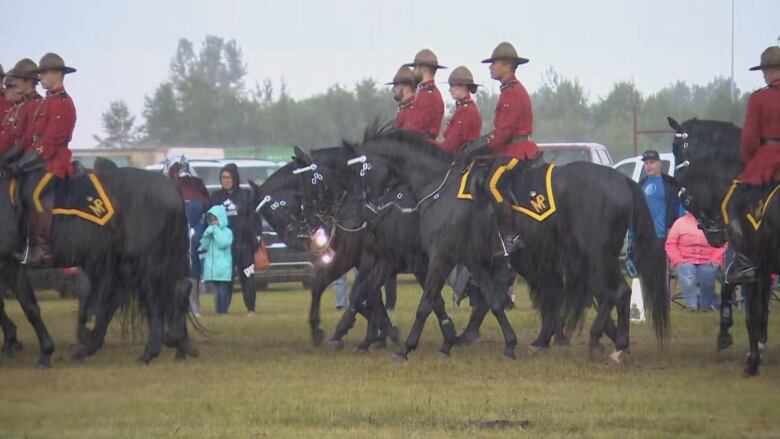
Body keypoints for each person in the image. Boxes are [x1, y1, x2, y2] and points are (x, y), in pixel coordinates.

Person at [8, 55, 75, 268]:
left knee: (34, 194)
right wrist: (13, 160)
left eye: (45, 73)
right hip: (40, 160)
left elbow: (50, 143)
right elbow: (30, 138)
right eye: (40, 73)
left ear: (58, 74)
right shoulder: (46, 102)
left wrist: (23, 163)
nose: (41, 77)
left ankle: (44, 249)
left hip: (55, 163)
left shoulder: (63, 103)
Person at [725, 46, 780, 284]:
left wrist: (752, 163)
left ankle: (745, 261)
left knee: (731, 204)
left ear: (768, 70)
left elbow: (748, 141)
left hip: (768, 159)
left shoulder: (760, 98)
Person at [209, 163, 259, 316]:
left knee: (248, 278)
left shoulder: (246, 195)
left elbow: (255, 218)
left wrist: (256, 238)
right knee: (225, 280)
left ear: (235, 178)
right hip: (224, 247)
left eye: (228, 177)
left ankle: (251, 309)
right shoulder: (216, 197)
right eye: (223, 178)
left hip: (244, 246)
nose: (226, 180)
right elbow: (210, 219)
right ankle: (222, 310)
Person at [164, 155, 210, 316]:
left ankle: (193, 305)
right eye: (175, 169)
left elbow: (206, 206)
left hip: (193, 235)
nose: (179, 173)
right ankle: (176, 306)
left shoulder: (196, 185)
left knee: (192, 269)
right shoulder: (165, 187)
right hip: (174, 236)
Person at [482, 42, 537, 160]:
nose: (490, 67)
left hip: (514, 152)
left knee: (492, 178)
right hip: (512, 149)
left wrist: (483, 145)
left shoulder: (512, 92)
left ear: (507, 66)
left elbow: (503, 133)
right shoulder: (509, 90)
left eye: (494, 63)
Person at [665, 212, 728, 311]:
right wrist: (678, 260)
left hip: (708, 261)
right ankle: (691, 307)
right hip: (685, 260)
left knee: (708, 272)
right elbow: (670, 244)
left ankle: (705, 307)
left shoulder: (713, 224)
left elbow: (722, 244)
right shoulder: (679, 223)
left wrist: (715, 259)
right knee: (687, 272)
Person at [638, 149, 683, 243]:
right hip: (644, 236)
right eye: (646, 163)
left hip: (663, 236)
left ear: (659, 163)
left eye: (651, 162)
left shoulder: (671, 184)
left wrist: (673, 228)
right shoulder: (641, 185)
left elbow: (678, 208)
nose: (648, 166)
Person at [402, 49, 446, 140]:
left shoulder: (428, 95)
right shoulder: (426, 92)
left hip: (419, 147)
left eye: (415, 68)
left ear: (424, 69)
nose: (413, 71)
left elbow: (416, 127)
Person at [437, 66, 482, 153]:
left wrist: (429, 145)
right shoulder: (464, 108)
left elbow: (451, 145)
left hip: (459, 160)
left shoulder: (467, 111)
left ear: (464, 86)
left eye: (452, 85)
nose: (449, 90)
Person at [200, 205, 233, 316]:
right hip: (212, 267)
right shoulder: (210, 231)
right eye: (211, 219)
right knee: (216, 292)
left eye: (215, 219)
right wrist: (206, 235)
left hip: (223, 267)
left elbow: (223, 243)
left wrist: (216, 231)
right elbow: (204, 245)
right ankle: (218, 311)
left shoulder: (227, 232)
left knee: (223, 291)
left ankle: (223, 310)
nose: (213, 222)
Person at [387, 66, 418, 131]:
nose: (393, 89)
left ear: (406, 86)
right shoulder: (404, 108)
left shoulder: (413, 110)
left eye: (396, 85)